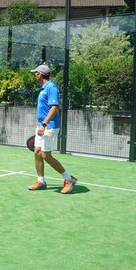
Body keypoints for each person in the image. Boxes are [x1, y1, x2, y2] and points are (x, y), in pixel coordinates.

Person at [28, 64, 77, 194]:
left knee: (45, 155)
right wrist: (41, 125)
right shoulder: (43, 88)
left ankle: (69, 179)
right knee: (37, 151)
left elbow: (55, 107)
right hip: (41, 126)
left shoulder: (51, 87)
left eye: (36, 73)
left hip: (49, 126)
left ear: (40, 74)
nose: (35, 75)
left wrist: (44, 124)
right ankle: (41, 181)